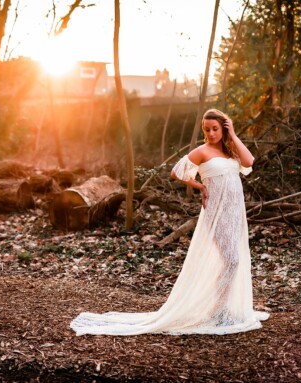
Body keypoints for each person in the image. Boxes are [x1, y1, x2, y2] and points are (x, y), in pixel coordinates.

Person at [70, 108, 269, 335]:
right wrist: (200, 186)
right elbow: (177, 172)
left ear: (223, 128)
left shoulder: (230, 150)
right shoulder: (202, 151)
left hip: (235, 211)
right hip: (217, 211)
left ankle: (222, 309)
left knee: (232, 259)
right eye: (207, 130)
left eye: (216, 129)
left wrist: (232, 134)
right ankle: (218, 310)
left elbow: (249, 161)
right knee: (231, 259)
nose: (211, 133)